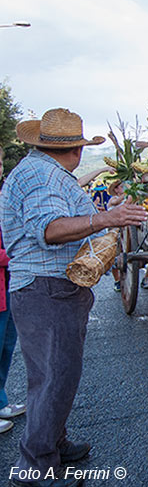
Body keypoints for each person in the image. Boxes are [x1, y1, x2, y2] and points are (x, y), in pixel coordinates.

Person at [1, 108, 148, 487]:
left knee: (60, 375)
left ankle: (52, 441)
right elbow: (50, 230)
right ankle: (35, 469)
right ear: (76, 150)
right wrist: (104, 220)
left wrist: (105, 212)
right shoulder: (41, 176)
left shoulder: (42, 172)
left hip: (48, 287)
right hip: (45, 288)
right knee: (52, 377)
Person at [0, 146, 25, 435]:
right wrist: (14, 256)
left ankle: (1, 400)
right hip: (6, 272)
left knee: (5, 346)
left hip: (7, 284)